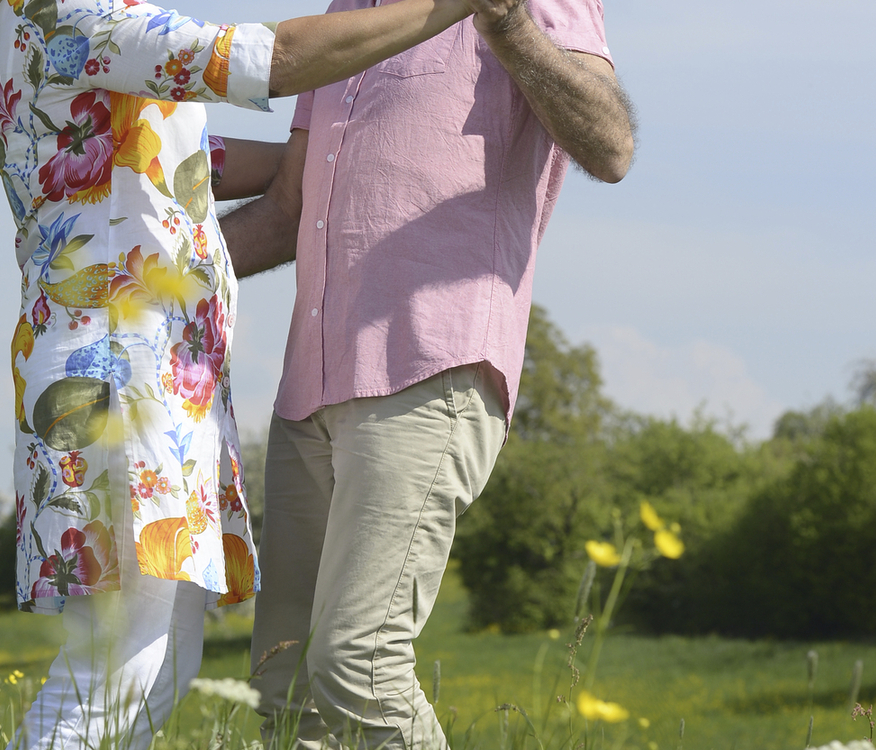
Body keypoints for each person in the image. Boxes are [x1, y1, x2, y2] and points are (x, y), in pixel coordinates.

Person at [0, 0, 492, 747]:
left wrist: (339, 148)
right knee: (113, 675)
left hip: (139, 382)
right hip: (115, 381)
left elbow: (192, 158)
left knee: (159, 668)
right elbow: (265, 58)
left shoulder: (55, 31)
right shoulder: (75, 12)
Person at [220, 0, 636, 747]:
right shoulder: (344, 13)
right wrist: (136, 284)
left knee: (360, 665)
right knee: (286, 690)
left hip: (427, 368)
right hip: (309, 387)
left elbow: (611, 146)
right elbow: (286, 209)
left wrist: (507, 25)